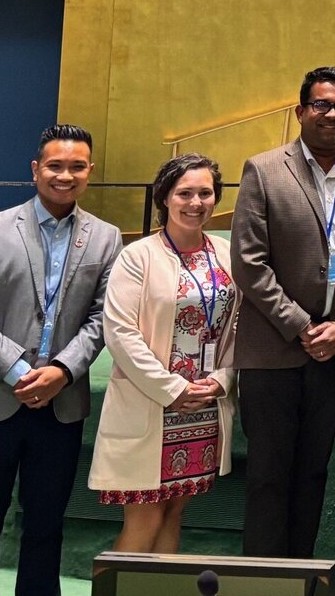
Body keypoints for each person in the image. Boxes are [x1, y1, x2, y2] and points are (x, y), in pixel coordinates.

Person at [0, 124, 123, 596]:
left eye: (77, 166)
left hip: (60, 406)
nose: (65, 175)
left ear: (90, 172)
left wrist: (60, 372)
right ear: (36, 169)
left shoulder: (106, 239)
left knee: (46, 527)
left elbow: (104, 317)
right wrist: (24, 374)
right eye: (56, 165)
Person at [226, 66, 335, 558]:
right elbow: (248, 264)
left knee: (313, 473)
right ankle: (261, 586)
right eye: (322, 104)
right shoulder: (264, 169)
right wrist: (302, 327)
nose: (332, 114)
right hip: (273, 352)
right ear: (300, 111)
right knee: (269, 478)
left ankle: (299, 581)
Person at [88, 154, 236, 552]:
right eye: (184, 193)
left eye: (205, 193)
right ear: (165, 198)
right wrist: (174, 389)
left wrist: (222, 381)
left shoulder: (225, 254)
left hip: (202, 408)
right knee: (146, 517)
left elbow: (237, 329)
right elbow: (120, 334)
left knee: (173, 514)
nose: (195, 202)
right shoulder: (137, 256)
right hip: (153, 404)